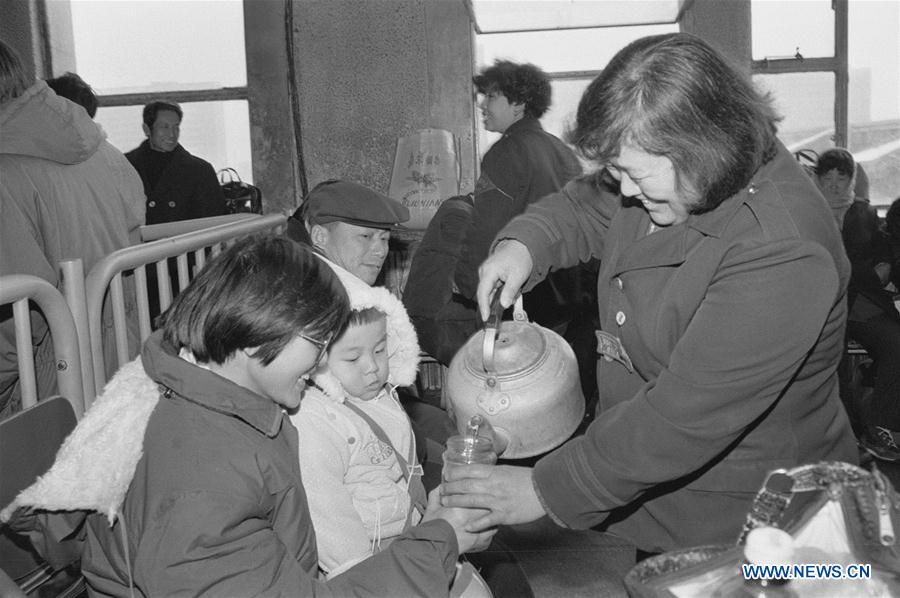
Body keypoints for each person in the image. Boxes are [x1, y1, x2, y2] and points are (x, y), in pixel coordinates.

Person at [441, 33, 857, 555]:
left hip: (754, 524)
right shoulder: (675, 174)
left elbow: (685, 414)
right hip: (661, 495)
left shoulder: (783, 249)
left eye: (635, 175)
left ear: (703, 150)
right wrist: (524, 245)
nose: (627, 192)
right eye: (616, 171)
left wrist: (547, 487)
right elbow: (583, 206)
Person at [2, 235, 494, 596]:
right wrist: (438, 540)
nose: (323, 362)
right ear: (260, 336)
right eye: (318, 343)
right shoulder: (200, 483)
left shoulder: (213, 393)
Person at [404, 60, 598, 386]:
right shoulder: (562, 150)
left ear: (518, 103)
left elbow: (484, 228)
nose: (482, 105)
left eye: (491, 97)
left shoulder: (507, 151)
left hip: (523, 293)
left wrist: (467, 290)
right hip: (569, 297)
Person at [0, 40, 145, 418]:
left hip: (49, 389)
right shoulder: (105, 152)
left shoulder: (5, 172)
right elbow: (134, 236)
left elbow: (15, 322)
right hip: (121, 359)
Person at [818, 149, 900, 461]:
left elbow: (882, 259)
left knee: (894, 343)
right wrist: (867, 272)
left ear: (852, 180)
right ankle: (860, 434)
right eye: (828, 178)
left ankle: (879, 431)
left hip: (860, 305)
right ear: (818, 179)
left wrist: (867, 272)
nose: (835, 185)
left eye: (842, 177)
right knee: (832, 362)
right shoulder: (810, 214)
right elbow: (843, 267)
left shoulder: (863, 214)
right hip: (829, 307)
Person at [286, 179, 409, 285]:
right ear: (320, 237)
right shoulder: (301, 294)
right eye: (366, 236)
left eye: (384, 239)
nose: (381, 252)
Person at [125, 100, 226, 225]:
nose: (172, 134)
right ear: (146, 129)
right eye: (164, 127)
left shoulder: (201, 171)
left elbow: (213, 224)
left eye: (176, 127)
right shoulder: (124, 167)